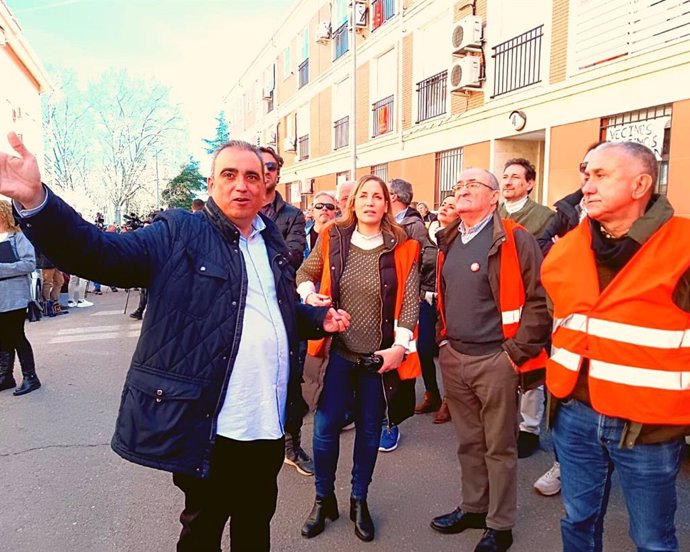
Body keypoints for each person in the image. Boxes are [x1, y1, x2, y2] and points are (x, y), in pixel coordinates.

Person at [0, 133, 351, 552]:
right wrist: (37, 201)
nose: (242, 184)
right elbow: (98, 253)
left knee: (256, 526)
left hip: (268, 421)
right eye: (230, 174)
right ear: (211, 184)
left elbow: (276, 305)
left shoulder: (271, 238)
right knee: (202, 530)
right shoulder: (179, 232)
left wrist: (315, 317)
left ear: (265, 187)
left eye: (252, 176)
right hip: (211, 425)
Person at [542, 141, 690, 552]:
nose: (586, 185)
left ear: (641, 183)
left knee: (653, 539)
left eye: (601, 175)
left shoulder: (684, 244)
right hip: (575, 414)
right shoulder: (567, 248)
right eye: (585, 174)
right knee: (578, 521)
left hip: (649, 425)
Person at [431, 168, 550, 552]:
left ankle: (500, 524)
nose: (462, 190)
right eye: (459, 185)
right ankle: (474, 507)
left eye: (473, 185)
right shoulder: (449, 238)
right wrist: (443, 343)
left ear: (494, 197)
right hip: (455, 356)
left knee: (499, 447)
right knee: (469, 442)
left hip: (496, 360)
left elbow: (539, 301)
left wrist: (514, 355)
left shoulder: (516, 239)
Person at [297, 174, 420, 542]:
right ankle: (324, 499)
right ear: (353, 203)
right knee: (324, 429)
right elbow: (306, 272)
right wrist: (310, 296)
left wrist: (399, 347)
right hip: (337, 354)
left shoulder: (403, 246)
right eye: (363, 196)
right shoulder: (333, 237)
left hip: (376, 360)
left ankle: (358, 499)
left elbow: (411, 301)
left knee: (369, 431)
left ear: (387, 204)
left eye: (377, 197)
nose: (369, 202)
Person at [532, 140, 607, 497]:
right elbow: (541, 246)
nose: (589, 178)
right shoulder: (566, 209)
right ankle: (563, 464)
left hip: (617, 334)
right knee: (562, 391)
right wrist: (571, 254)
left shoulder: (650, 228)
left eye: (599, 170)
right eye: (585, 168)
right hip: (567, 324)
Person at [498, 157, 556, 459]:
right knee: (503, 366)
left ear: (529, 183)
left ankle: (529, 428)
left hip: (532, 300)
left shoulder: (545, 217)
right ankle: (505, 423)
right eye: (505, 176)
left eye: (515, 177)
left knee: (531, 368)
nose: (508, 182)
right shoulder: (492, 213)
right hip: (501, 301)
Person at [415, 194, 460, 423]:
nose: (444, 208)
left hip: (450, 303)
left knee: (446, 353)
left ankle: (449, 400)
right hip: (426, 300)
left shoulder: (459, 238)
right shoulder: (425, 235)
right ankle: (431, 393)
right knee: (423, 348)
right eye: (443, 204)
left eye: (451, 206)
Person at [0, 200, 41, 396]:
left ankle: (31, 377)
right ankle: (5, 376)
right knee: (2, 338)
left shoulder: (18, 236)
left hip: (14, 297)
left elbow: (29, 264)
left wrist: (1, 269)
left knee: (16, 335)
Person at [304, 191, 337, 259]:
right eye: (319, 206)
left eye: (329, 206)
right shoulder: (302, 237)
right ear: (312, 211)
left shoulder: (342, 237)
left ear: (335, 212)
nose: (324, 208)